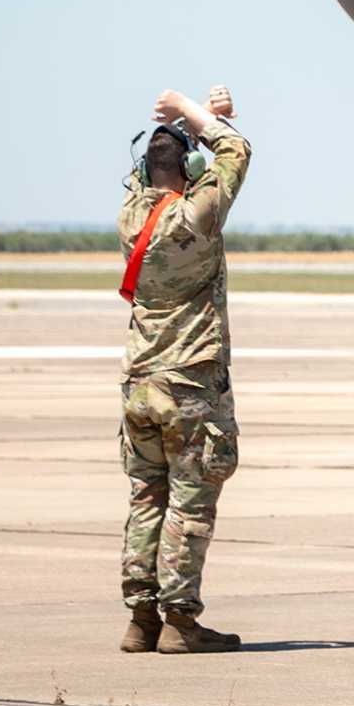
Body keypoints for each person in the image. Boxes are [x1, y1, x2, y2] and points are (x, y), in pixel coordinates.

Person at [116, 85, 251, 653]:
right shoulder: (197, 217)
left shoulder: (131, 215)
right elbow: (237, 153)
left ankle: (140, 619)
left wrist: (194, 125)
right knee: (191, 503)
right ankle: (180, 622)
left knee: (147, 498)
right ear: (192, 169)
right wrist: (201, 116)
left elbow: (159, 172)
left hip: (140, 384)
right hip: (189, 384)